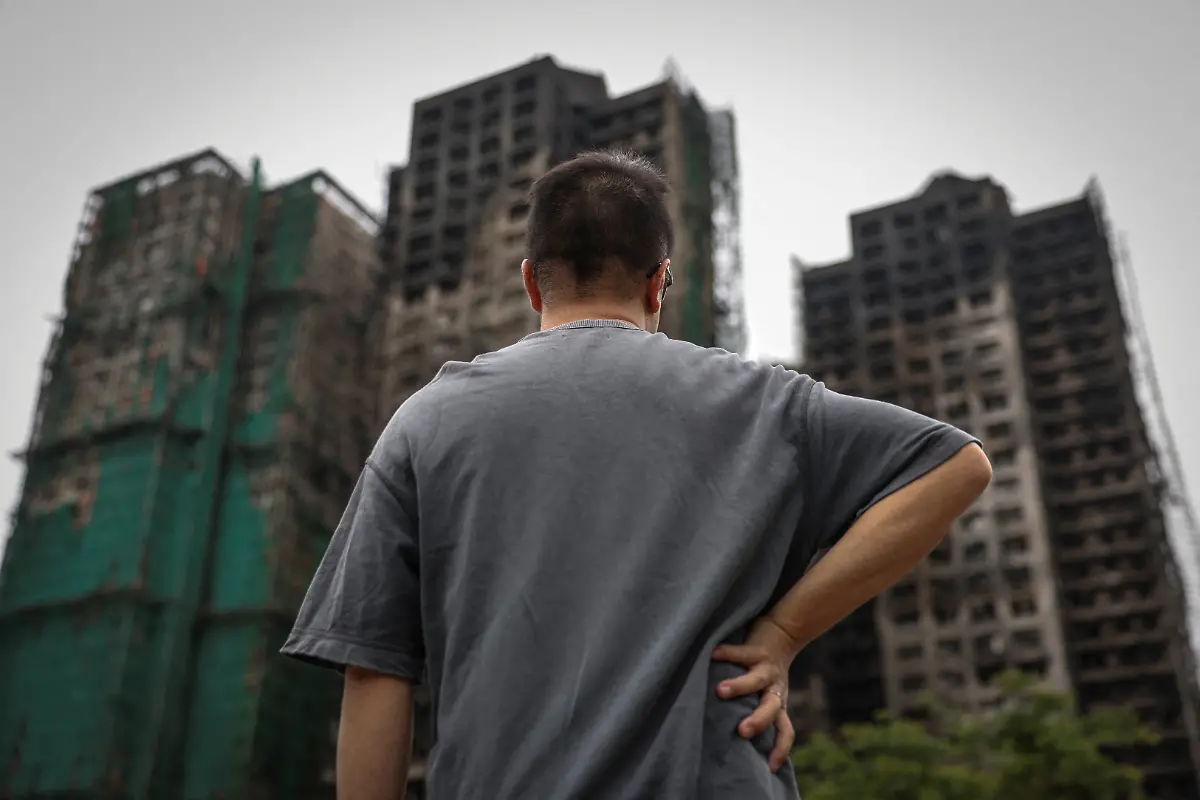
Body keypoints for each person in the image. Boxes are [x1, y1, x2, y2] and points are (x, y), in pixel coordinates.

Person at [280, 150, 992, 799]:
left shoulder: (425, 420)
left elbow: (374, 670)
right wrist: (783, 633)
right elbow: (956, 465)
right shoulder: (764, 403)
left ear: (532, 281)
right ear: (659, 282)